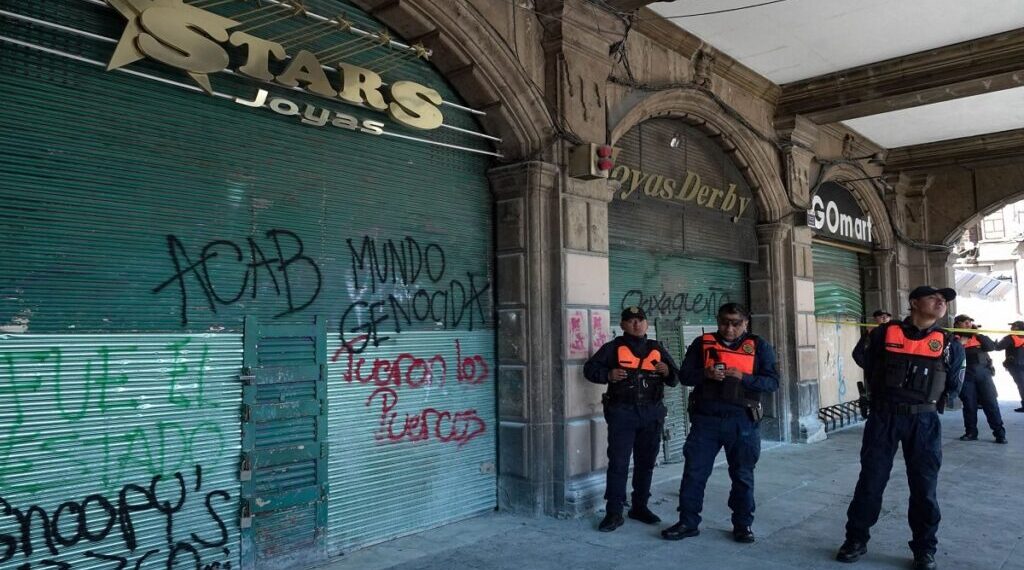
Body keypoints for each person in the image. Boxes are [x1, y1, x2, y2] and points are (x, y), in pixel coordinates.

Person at [836, 286, 965, 570]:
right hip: (884, 417)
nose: (941, 302)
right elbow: (863, 358)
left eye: (944, 300)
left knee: (924, 487)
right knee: (871, 482)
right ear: (914, 302)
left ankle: (924, 549)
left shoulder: (949, 343)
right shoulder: (884, 333)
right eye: (933, 297)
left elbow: (955, 382)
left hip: (924, 421)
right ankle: (855, 539)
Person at [661, 303, 779, 544]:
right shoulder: (702, 343)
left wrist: (743, 377)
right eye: (725, 322)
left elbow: (773, 382)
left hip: (742, 422)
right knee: (694, 473)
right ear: (718, 320)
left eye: (736, 323)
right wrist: (706, 373)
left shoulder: (759, 346)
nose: (729, 328)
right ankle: (688, 522)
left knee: (742, 475)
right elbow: (684, 376)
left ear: (746, 322)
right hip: (706, 421)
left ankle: (743, 525)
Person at [584, 305, 680, 532]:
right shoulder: (612, 348)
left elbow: (676, 378)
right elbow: (589, 369)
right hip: (622, 413)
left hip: (651, 414)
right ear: (623, 325)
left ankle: (640, 506)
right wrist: (607, 375)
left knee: (646, 463)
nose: (636, 324)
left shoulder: (656, 348)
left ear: (646, 324)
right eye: (631, 320)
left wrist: (667, 371)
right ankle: (614, 512)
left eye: (640, 320)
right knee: (618, 464)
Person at [952, 315, 1006, 443]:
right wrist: (961, 343)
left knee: (991, 403)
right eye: (965, 322)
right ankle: (971, 433)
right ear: (957, 324)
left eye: (970, 322)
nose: (968, 324)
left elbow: (991, 347)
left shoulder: (978, 337)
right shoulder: (954, 338)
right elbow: (951, 354)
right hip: (965, 375)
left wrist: (978, 334)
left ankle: (1000, 434)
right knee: (969, 405)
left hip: (984, 375)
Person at [996, 320, 1024, 413]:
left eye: (1013, 326)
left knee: (1021, 385)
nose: (1011, 328)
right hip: (1018, 364)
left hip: (1015, 365)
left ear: (1018, 328)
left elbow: (998, 347)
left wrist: (995, 343)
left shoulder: (1010, 338)